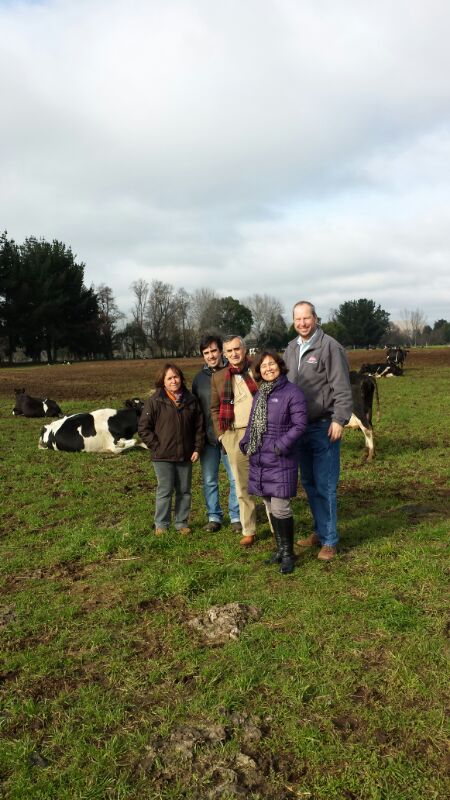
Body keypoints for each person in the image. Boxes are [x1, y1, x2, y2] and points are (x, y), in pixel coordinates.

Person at [284, 301, 353, 561]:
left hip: (324, 426)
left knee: (325, 485)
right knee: (309, 483)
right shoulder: (290, 348)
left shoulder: (330, 347)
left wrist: (339, 419)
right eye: (298, 319)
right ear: (293, 321)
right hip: (299, 428)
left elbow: (342, 388)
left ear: (315, 318)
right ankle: (319, 530)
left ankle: (330, 540)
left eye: (306, 318)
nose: (302, 323)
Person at [239, 351, 308, 574]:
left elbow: (300, 425)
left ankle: (289, 553)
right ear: (258, 371)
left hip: (280, 458)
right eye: (263, 366)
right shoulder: (261, 394)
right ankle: (280, 549)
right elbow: (252, 423)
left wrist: (281, 445)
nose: (268, 368)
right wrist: (246, 440)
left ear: (280, 366)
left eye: (272, 364)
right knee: (269, 504)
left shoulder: (292, 393)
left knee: (281, 506)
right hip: (260, 457)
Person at [138, 363, 204, 534]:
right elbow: (144, 428)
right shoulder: (154, 401)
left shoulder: (191, 400)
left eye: (176, 377)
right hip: (162, 456)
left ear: (181, 378)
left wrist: (197, 448)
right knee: (165, 490)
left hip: (186, 454)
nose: (174, 381)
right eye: (169, 378)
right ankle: (161, 524)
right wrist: (156, 446)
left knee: (184, 491)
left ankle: (181, 523)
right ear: (163, 381)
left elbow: (199, 427)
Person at [210, 335, 258, 547]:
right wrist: (222, 436)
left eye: (236, 349)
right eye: (229, 351)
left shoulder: (257, 370)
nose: (233, 354)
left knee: (268, 482)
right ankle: (249, 529)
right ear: (224, 353)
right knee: (241, 485)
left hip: (261, 431)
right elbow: (213, 409)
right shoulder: (219, 377)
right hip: (233, 435)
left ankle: (277, 527)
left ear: (244, 349)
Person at [192, 335, 241, 533]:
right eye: (206, 353)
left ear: (221, 351)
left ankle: (236, 516)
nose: (211, 356)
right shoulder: (199, 379)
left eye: (213, 351)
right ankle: (214, 516)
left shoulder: (233, 372)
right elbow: (195, 409)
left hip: (230, 435)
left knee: (235, 478)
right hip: (208, 438)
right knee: (210, 479)